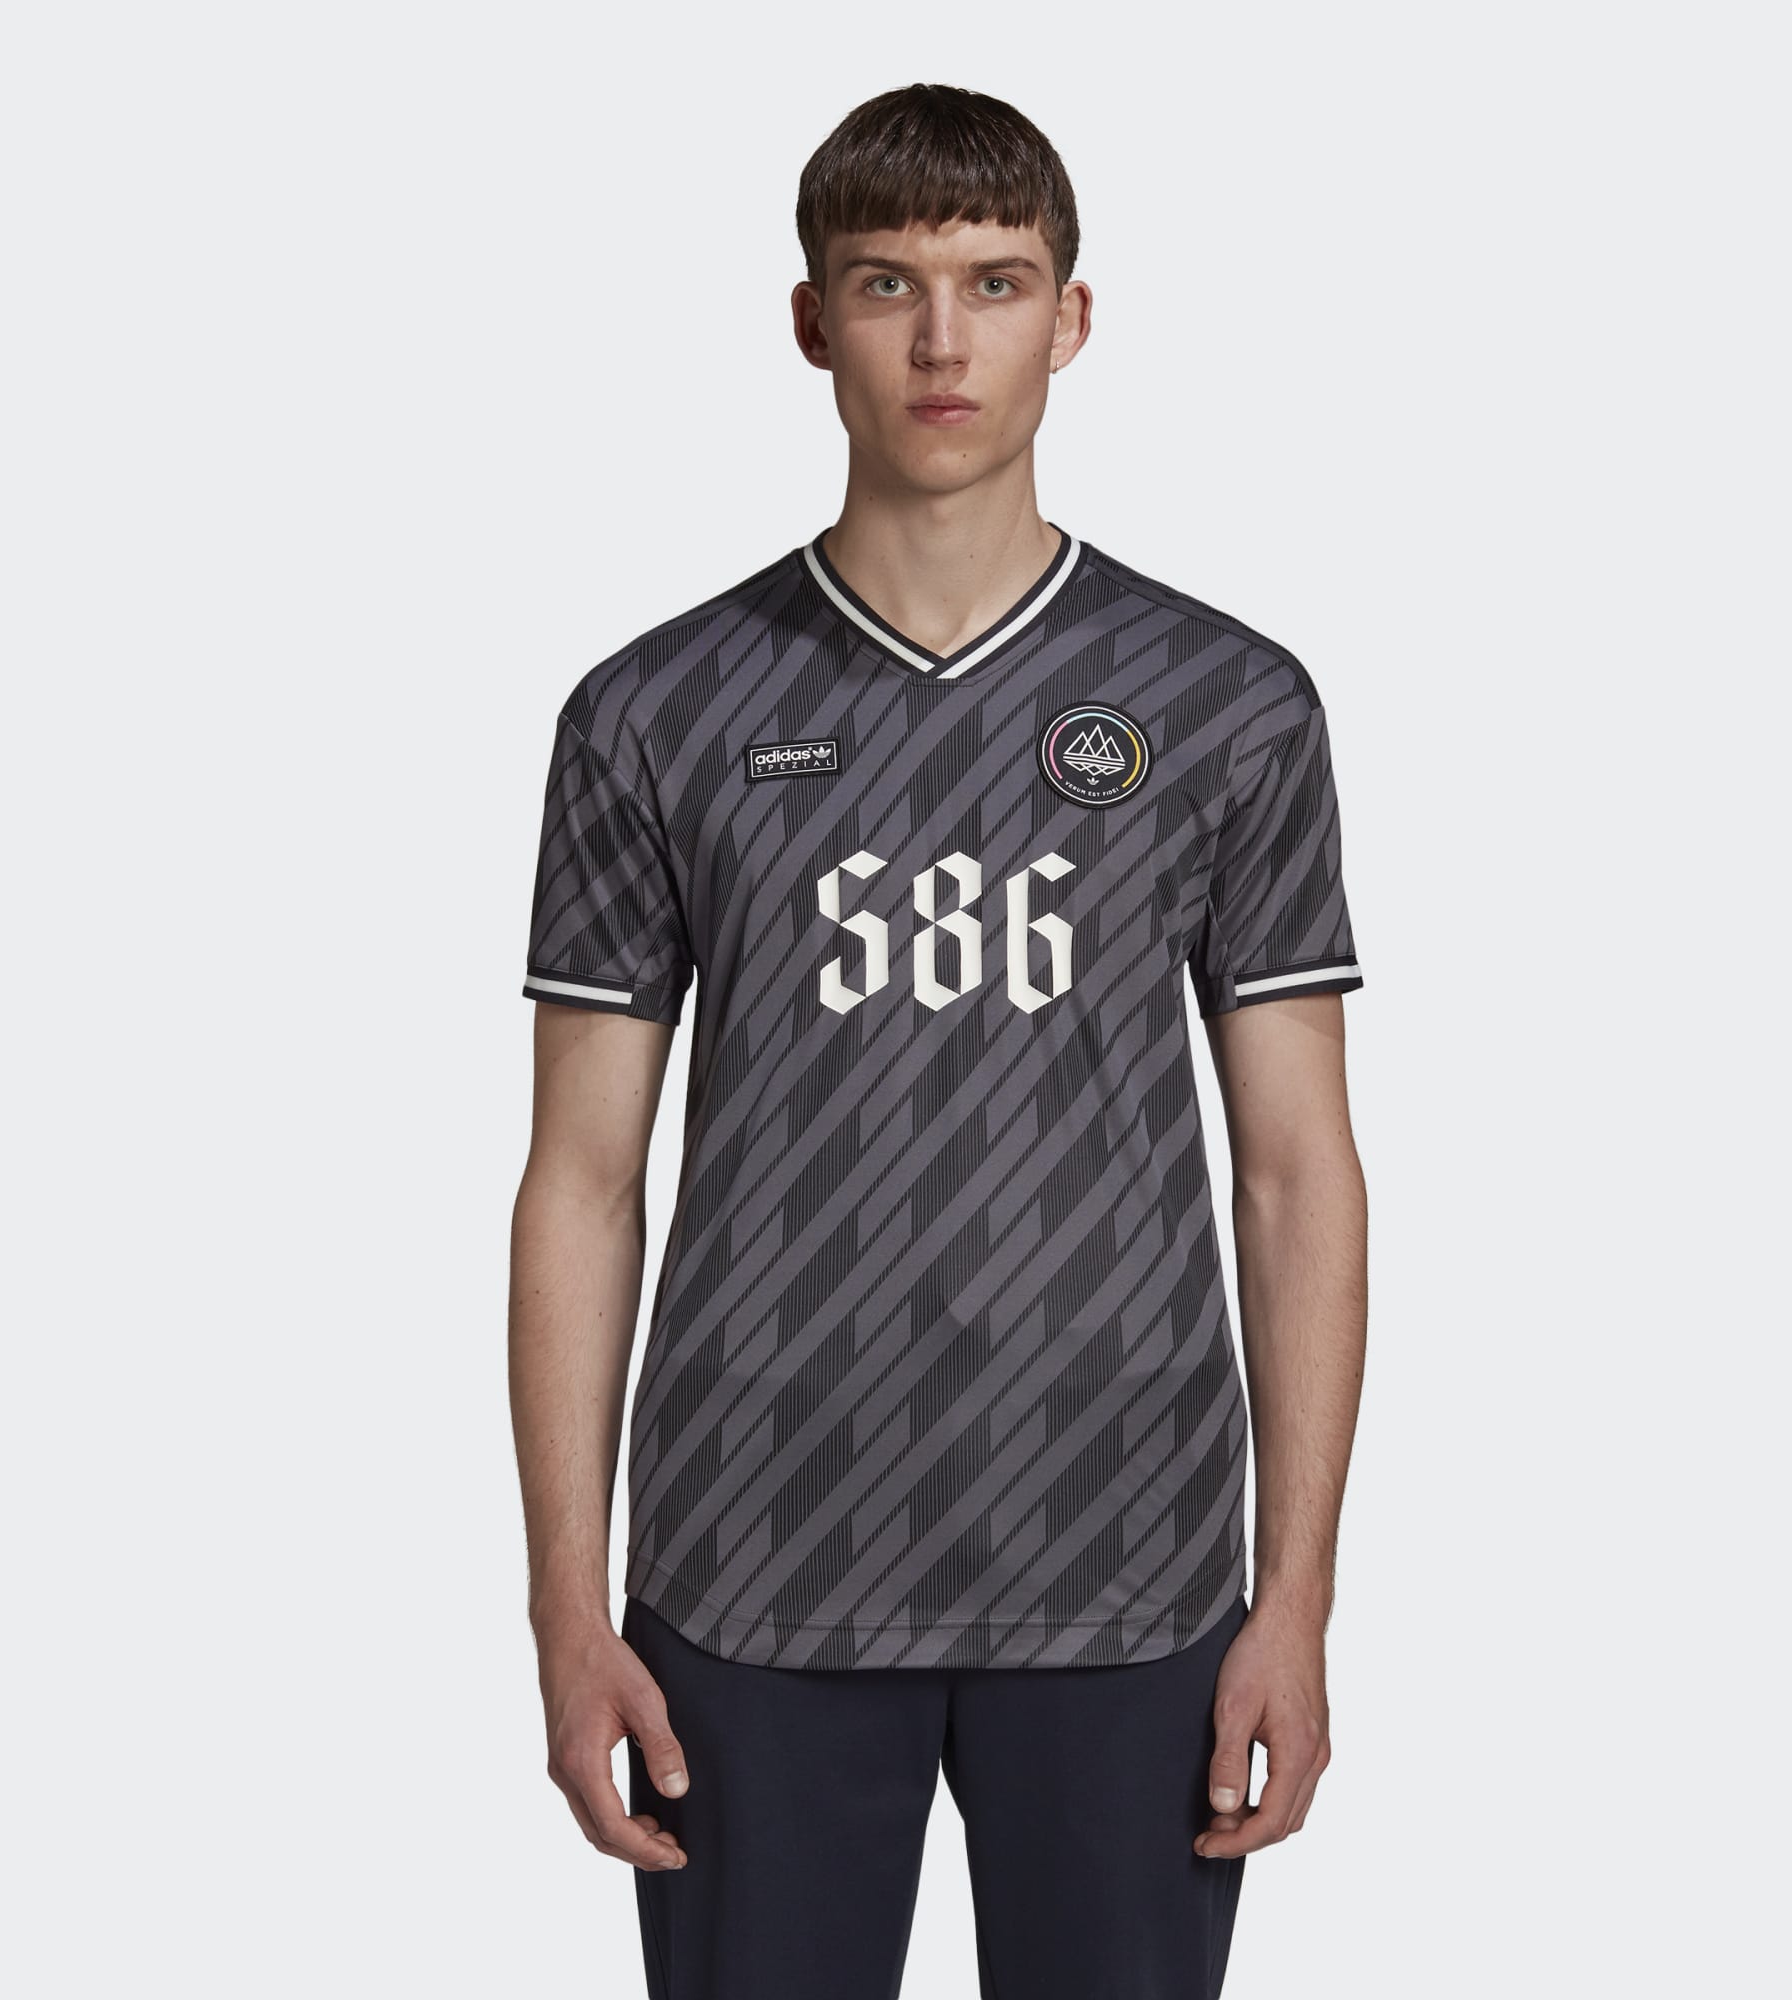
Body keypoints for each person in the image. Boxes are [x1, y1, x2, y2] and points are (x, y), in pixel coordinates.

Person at [508, 81, 1369, 2000]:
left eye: (997, 282)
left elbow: (1298, 1171)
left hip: (1134, 1569)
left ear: (1073, 317)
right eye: (888, 282)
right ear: (811, 320)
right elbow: (579, 1180)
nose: (943, 340)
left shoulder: (1225, 703)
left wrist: (1297, 1598)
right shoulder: (653, 712)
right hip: (749, 1573)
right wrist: (567, 1606)